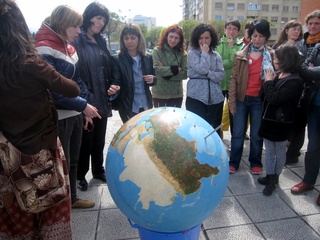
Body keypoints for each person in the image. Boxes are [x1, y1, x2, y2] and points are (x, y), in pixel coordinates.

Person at [0, 0, 80, 238]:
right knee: (50, 207)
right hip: (41, 153)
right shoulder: (32, 64)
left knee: (15, 213)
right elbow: (72, 89)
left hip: (7, 158)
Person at [35, 5, 101, 208]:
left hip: (73, 113)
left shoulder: (68, 46)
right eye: (76, 26)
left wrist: (84, 106)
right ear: (63, 25)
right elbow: (52, 91)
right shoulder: (43, 47)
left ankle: (71, 200)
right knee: (58, 164)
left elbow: (78, 81)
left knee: (73, 160)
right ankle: (59, 204)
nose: (79, 31)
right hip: (58, 116)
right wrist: (83, 105)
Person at [73, 2, 120, 191]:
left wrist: (114, 85)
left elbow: (111, 66)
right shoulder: (77, 40)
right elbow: (76, 74)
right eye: (98, 18)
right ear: (89, 16)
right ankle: (80, 175)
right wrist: (88, 99)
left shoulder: (100, 40)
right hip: (86, 101)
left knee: (100, 139)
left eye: (104, 20)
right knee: (85, 141)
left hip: (102, 99)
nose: (101, 23)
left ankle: (98, 170)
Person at [228, 19, 274, 174]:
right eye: (254, 35)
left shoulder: (271, 55)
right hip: (242, 99)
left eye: (261, 36)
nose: (257, 39)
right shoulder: (240, 55)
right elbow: (233, 79)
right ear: (250, 35)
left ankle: (255, 162)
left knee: (256, 135)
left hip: (259, 100)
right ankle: (234, 161)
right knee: (238, 133)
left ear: (266, 37)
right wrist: (232, 102)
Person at [258, 45, 303, 196]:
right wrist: (268, 82)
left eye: (276, 58)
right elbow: (264, 96)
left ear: (286, 59)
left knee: (279, 151)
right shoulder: (279, 74)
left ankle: (274, 178)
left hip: (281, 123)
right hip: (269, 121)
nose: (274, 60)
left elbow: (274, 98)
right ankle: (270, 175)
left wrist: (268, 82)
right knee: (269, 151)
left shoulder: (294, 81)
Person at [290, 10, 320, 206]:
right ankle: (309, 181)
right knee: (314, 146)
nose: (314, 26)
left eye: (318, 23)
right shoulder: (307, 44)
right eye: (311, 23)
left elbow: (310, 71)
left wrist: (306, 68)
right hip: (314, 103)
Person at [113, 23, 157, 123]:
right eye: (126, 38)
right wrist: (114, 87)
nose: (129, 41)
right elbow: (116, 80)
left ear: (139, 39)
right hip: (128, 106)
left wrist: (153, 79)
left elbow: (154, 78)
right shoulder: (117, 59)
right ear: (122, 40)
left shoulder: (147, 57)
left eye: (133, 38)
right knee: (132, 135)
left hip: (146, 104)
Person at [186, 23, 224, 135]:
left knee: (213, 130)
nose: (204, 41)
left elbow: (221, 76)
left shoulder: (217, 55)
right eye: (201, 38)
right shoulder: (192, 53)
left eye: (207, 38)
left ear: (212, 38)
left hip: (215, 98)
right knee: (197, 130)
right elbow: (202, 68)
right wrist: (204, 54)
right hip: (196, 97)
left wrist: (208, 73)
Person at [216, 19, 244, 138]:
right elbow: (217, 63)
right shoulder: (217, 44)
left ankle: (235, 140)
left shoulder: (242, 45)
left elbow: (237, 61)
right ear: (224, 30)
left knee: (234, 115)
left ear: (238, 31)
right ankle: (217, 137)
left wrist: (232, 48)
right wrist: (230, 61)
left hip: (234, 85)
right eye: (229, 28)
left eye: (234, 29)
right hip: (219, 84)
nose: (231, 31)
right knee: (217, 114)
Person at [152, 24, 187, 108]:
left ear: (180, 40)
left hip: (176, 95)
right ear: (166, 36)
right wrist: (176, 69)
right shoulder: (157, 51)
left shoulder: (183, 54)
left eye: (176, 38)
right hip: (159, 94)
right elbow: (157, 70)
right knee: (159, 121)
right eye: (171, 36)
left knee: (174, 121)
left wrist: (165, 73)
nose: (173, 40)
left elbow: (185, 74)